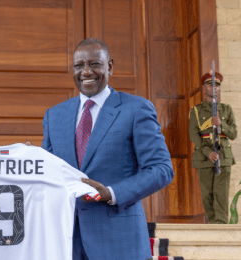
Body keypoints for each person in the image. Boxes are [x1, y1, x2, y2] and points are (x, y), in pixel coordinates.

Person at [41, 38, 174, 260]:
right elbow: (50, 173)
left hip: (120, 241)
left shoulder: (136, 109)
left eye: (94, 64)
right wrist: (30, 159)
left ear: (109, 66)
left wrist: (112, 193)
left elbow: (161, 169)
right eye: (78, 65)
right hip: (66, 241)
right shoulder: (54, 115)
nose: (86, 71)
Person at [189, 71, 236, 224]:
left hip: (224, 155)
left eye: (217, 85)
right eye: (210, 84)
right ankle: (212, 223)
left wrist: (221, 125)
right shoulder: (196, 110)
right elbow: (194, 135)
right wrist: (207, 152)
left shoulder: (227, 109)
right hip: (204, 156)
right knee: (207, 193)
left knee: (221, 192)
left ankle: (221, 224)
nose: (214, 88)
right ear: (204, 88)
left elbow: (234, 133)